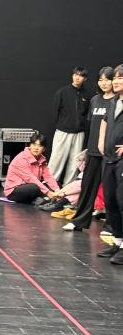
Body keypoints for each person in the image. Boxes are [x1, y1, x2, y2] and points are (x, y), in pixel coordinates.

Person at [65, 67, 116, 231]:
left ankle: (112, 227)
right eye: (101, 80)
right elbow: (91, 126)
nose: (104, 83)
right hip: (93, 151)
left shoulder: (117, 101)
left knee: (110, 190)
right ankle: (79, 221)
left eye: (107, 80)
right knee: (87, 187)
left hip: (110, 153)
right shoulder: (95, 100)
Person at [49, 66, 90, 186]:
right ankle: (49, 187)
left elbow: (87, 114)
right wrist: (61, 126)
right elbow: (55, 112)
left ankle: (68, 188)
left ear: (85, 79)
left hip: (79, 133)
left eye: (81, 76)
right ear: (72, 76)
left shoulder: (86, 94)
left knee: (74, 162)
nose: (77, 78)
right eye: (76, 74)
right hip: (63, 132)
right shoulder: (63, 92)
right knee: (57, 159)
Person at [98, 64, 123, 264]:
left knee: (122, 201)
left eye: (120, 78)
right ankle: (118, 241)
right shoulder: (114, 101)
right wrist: (101, 141)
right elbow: (105, 121)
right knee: (111, 200)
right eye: (115, 77)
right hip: (109, 158)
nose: (115, 81)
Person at [2, 132, 67, 206]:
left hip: (32, 185)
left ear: (44, 149)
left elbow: (48, 176)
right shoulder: (21, 158)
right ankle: (44, 199)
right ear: (30, 145)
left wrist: (57, 191)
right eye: (34, 144)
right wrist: (48, 192)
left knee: (57, 184)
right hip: (14, 191)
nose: (36, 148)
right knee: (34, 187)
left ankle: (42, 199)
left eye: (40, 146)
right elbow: (31, 179)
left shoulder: (42, 159)